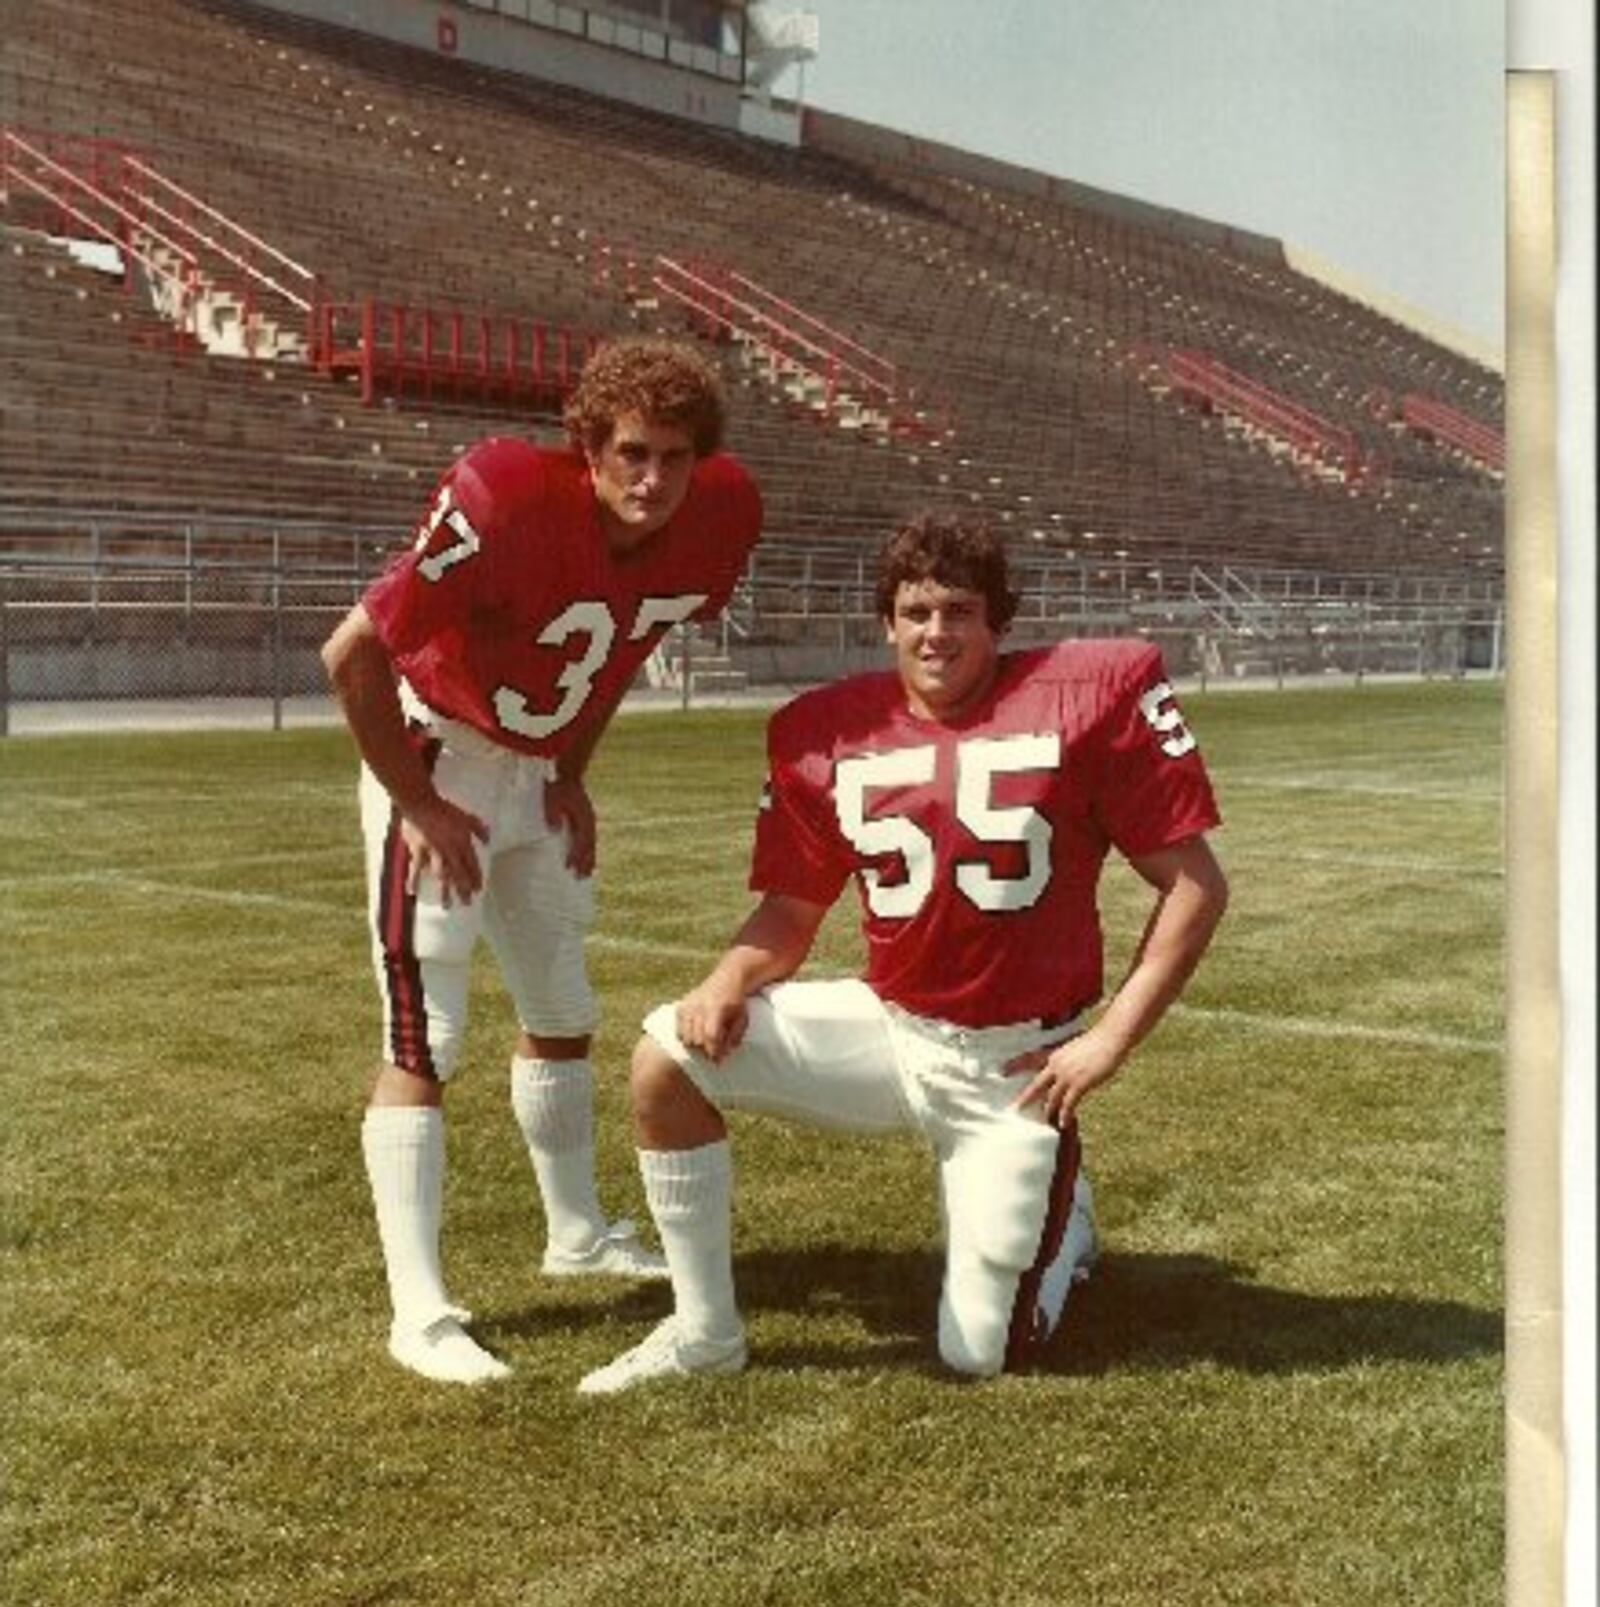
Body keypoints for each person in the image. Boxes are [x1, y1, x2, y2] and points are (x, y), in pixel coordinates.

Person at [579, 510, 1227, 1393]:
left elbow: (1195, 885)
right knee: (665, 1062)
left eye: (960, 611)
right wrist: (726, 978)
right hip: (892, 1028)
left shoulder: (1086, 698)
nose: (937, 632)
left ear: (998, 622)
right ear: (887, 621)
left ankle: (1063, 1220)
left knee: (980, 1356)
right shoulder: (830, 730)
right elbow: (789, 912)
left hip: (1015, 1069)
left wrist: (1108, 1039)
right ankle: (703, 1333)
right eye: (917, 611)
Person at [321, 336, 763, 1384]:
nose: (652, 479)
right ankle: (418, 1311)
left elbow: (619, 648)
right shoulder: (510, 497)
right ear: (588, 450)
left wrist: (569, 774)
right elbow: (351, 655)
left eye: (673, 456)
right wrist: (416, 801)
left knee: (562, 1013)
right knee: (424, 1037)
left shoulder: (716, 517)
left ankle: (575, 1233)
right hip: (441, 763)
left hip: (530, 775)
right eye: (631, 453)